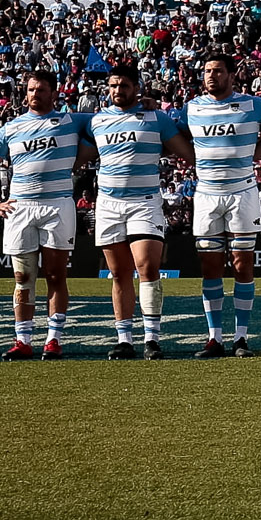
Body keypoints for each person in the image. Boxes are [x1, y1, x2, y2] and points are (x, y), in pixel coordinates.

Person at [84, 63, 194, 358]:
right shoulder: (96, 121)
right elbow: (71, 143)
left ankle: (152, 339)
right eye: (112, 86)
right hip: (108, 204)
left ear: (136, 87)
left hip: (144, 202)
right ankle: (124, 340)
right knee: (118, 273)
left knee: (147, 267)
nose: (117, 91)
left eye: (124, 86)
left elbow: (185, 148)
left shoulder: (156, 118)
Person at [0, 69, 89, 359]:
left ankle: (53, 340)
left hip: (58, 206)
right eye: (30, 90)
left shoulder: (73, 120)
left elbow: (111, 122)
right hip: (20, 208)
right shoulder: (11, 128)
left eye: (41, 89)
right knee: (23, 277)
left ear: (54, 93)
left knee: (56, 275)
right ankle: (23, 341)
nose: (35, 94)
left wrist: (146, 104)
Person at [179, 53, 261, 356]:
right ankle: (215, 338)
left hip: (242, 193)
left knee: (242, 265)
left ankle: (241, 338)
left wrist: (258, 153)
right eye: (208, 70)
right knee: (210, 267)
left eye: (218, 71)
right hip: (207, 194)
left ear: (231, 75)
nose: (211, 76)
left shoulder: (253, 105)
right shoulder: (192, 108)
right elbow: (178, 135)